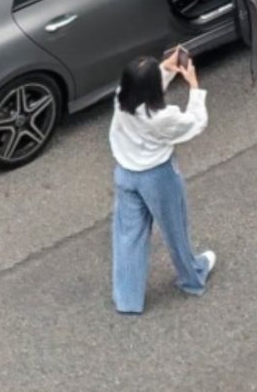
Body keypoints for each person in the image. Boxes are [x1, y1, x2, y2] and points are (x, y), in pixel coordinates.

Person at [109, 49, 216, 314]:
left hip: (125, 173)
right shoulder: (162, 117)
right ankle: (192, 278)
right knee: (174, 229)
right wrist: (194, 86)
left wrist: (166, 68)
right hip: (157, 177)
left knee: (128, 236)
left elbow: (145, 89)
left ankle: (127, 299)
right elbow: (194, 123)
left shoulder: (121, 98)